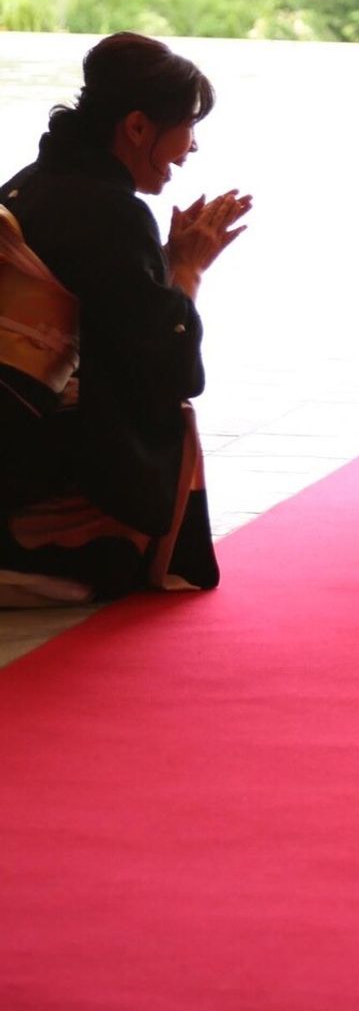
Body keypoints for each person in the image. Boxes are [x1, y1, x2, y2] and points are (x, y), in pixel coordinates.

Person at [0, 33, 250, 606]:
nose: (192, 147)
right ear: (137, 127)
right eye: (188, 126)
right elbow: (170, 370)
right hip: (19, 448)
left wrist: (163, 263)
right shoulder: (112, 213)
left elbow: (113, 305)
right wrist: (185, 270)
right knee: (168, 417)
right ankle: (33, 542)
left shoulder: (32, 181)